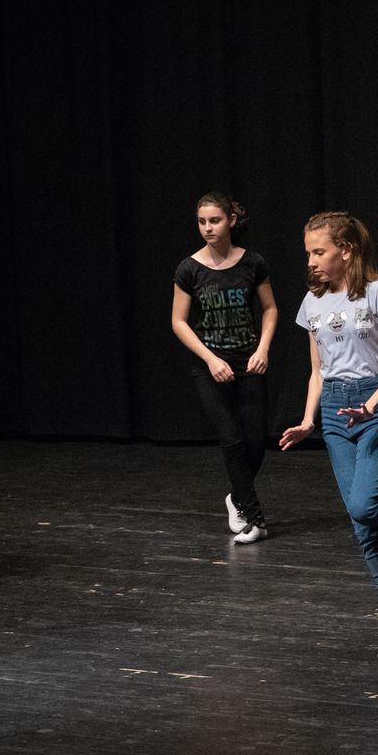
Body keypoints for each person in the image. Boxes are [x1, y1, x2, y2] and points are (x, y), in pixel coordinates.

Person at [280, 212, 378, 661]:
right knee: (365, 531)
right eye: (308, 253)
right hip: (334, 412)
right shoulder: (311, 303)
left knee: (363, 506)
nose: (311, 261)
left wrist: (371, 405)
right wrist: (309, 420)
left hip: (373, 407)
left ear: (346, 251)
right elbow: (317, 372)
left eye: (319, 252)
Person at [170, 192, 278, 543]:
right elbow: (179, 321)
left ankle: (236, 496)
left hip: (249, 361)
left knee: (255, 442)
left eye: (214, 220)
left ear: (231, 220)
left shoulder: (253, 262)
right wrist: (210, 358)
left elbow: (270, 309)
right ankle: (255, 519)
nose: (207, 228)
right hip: (209, 364)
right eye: (202, 222)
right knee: (231, 439)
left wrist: (262, 348)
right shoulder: (189, 268)